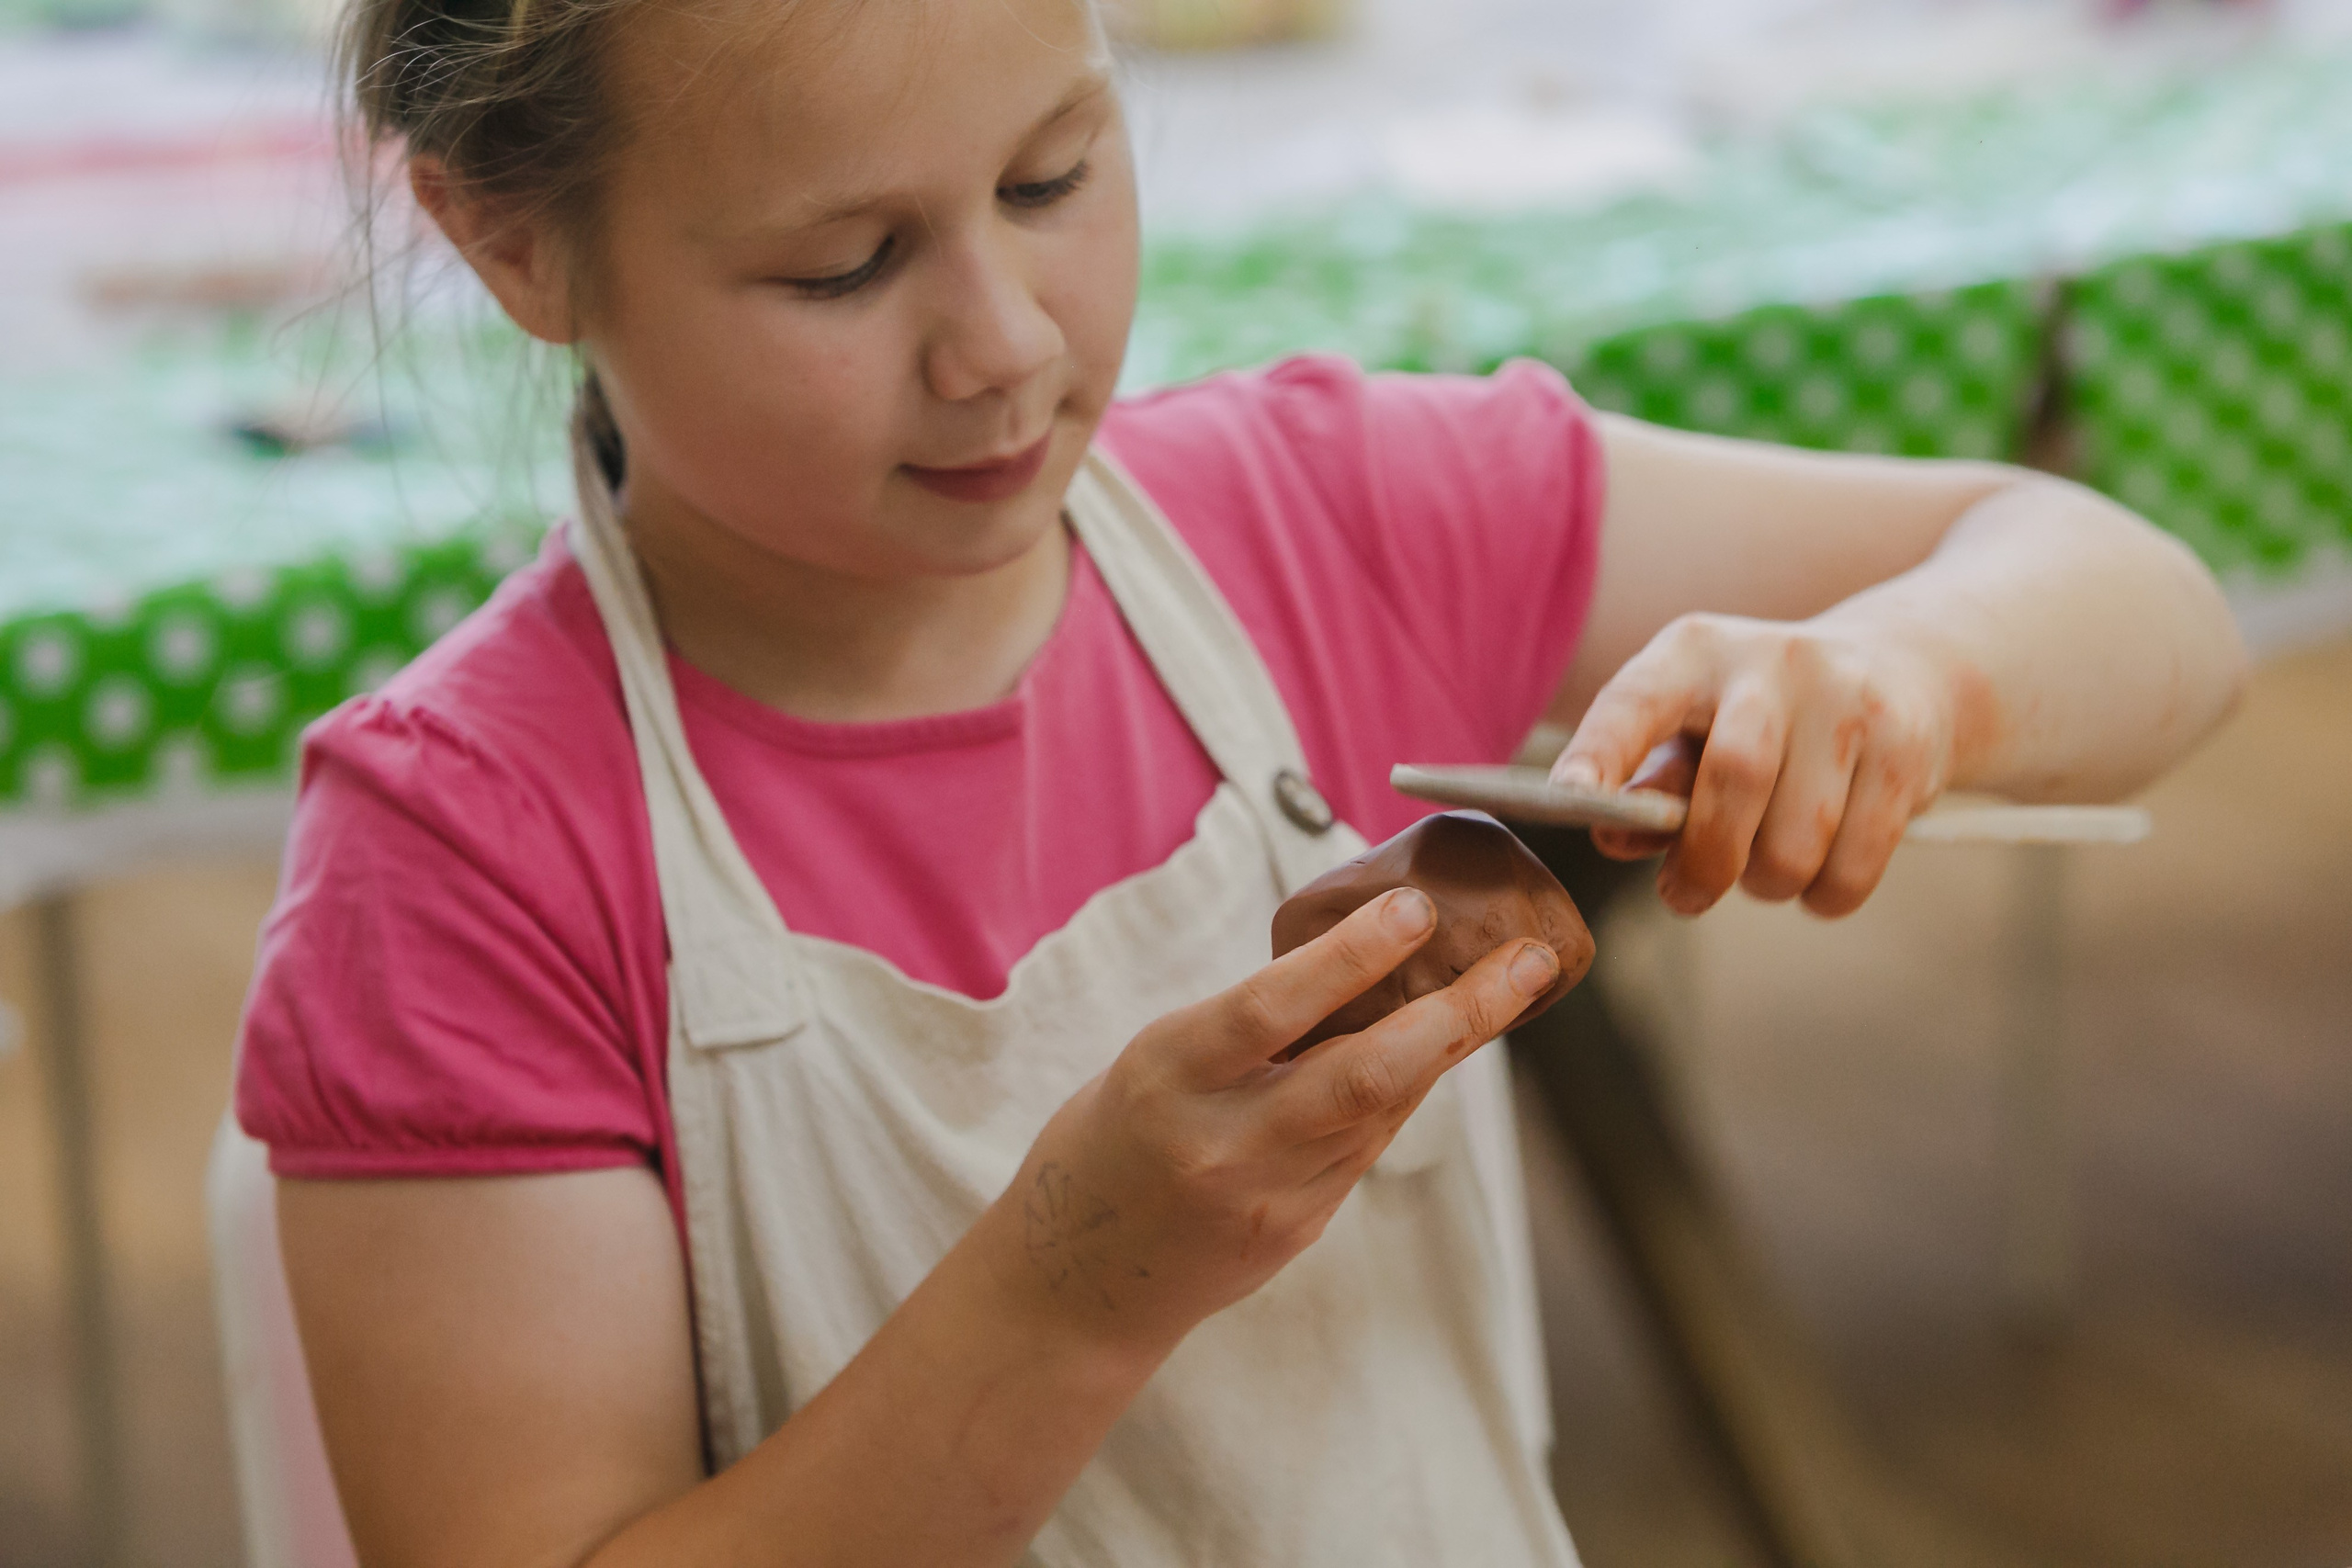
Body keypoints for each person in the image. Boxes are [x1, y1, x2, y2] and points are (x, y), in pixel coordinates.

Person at [234, 0, 2247, 1563]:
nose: (1004, 343)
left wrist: (1903, 676)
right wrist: (1067, 1288)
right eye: (844, 265)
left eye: (1050, 177)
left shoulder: (1324, 516)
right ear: (508, 240)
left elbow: (2131, 596)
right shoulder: (462, 852)